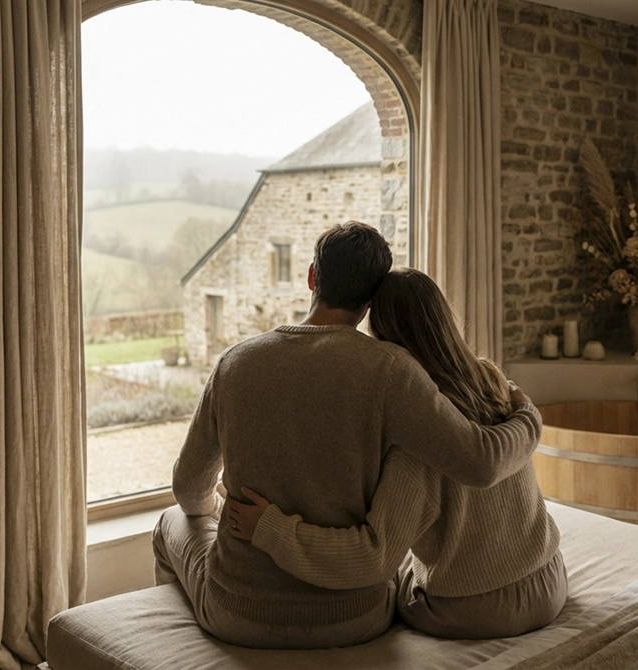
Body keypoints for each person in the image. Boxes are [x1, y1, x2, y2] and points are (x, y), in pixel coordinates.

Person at [153, 222, 543, 650]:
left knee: (173, 521)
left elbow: (188, 489)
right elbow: (479, 461)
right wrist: (526, 415)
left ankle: (166, 649)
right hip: (358, 617)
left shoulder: (234, 364)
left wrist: (217, 511)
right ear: (371, 300)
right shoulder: (394, 371)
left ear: (311, 277)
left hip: (238, 615)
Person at [226, 267, 565, 639]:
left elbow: (371, 557)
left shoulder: (419, 436)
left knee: (384, 584)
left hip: (475, 610)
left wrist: (270, 529)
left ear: (383, 338)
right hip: (549, 579)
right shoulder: (492, 379)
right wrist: (529, 414)